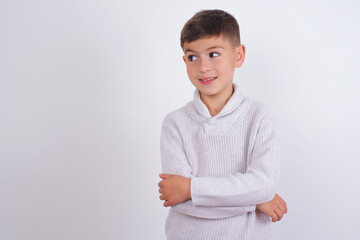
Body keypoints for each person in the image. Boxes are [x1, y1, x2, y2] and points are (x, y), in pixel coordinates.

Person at [158, 9, 287, 240]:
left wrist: (191, 188)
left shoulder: (261, 116)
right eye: (192, 57)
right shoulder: (175, 123)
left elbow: (264, 185)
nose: (203, 67)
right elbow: (178, 200)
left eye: (213, 54)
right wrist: (255, 201)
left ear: (238, 55)